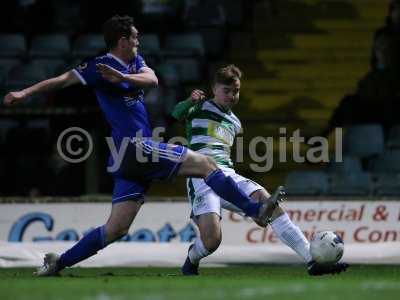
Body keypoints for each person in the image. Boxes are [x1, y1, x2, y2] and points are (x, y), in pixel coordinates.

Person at [3, 15, 282, 276]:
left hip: (127, 156)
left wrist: (123, 78)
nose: (139, 41)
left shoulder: (134, 63)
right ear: (122, 41)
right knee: (207, 164)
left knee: (117, 228)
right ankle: (253, 209)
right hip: (137, 147)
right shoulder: (98, 67)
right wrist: (24, 92)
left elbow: (152, 79)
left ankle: (58, 262)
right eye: (135, 38)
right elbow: (62, 80)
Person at [172, 65, 349, 276]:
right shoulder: (200, 107)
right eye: (226, 91)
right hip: (200, 177)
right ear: (214, 89)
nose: (231, 95)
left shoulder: (234, 122)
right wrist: (190, 101)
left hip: (227, 174)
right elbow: (176, 113)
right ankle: (192, 257)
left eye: (235, 91)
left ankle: (312, 262)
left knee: (270, 205)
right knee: (212, 241)